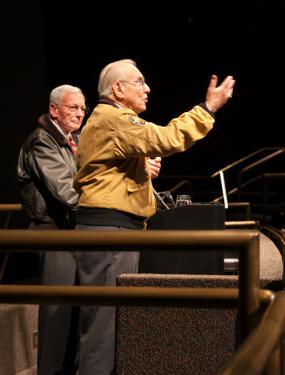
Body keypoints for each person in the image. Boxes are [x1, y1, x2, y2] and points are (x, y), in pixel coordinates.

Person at [73, 59, 235, 374]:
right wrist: (208, 108)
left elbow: (103, 168)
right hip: (110, 232)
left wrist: (140, 171)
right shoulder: (113, 118)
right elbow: (168, 138)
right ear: (118, 89)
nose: (147, 88)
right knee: (103, 332)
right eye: (140, 82)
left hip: (116, 230)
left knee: (109, 326)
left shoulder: (109, 120)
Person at [16, 84, 86, 375]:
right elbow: (66, 192)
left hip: (74, 231)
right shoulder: (42, 141)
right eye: (73, 107)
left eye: (83, 108)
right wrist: (100, 208)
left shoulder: (74, 140)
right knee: (57, 315)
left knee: (77, 314)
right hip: (53, 231)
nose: (79, 114)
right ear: (54, 109)